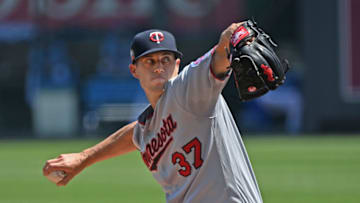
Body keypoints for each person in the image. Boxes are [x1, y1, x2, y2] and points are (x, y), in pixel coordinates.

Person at [43, 23, 263, 203]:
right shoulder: (148, 126)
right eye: (149, 61)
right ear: (134, 70)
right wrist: (83, 159)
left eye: (166, 60)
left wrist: (236, 34)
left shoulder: (187, 90)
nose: (159, 67)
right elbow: (135, 134)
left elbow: (221, 52)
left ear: (177, 65)